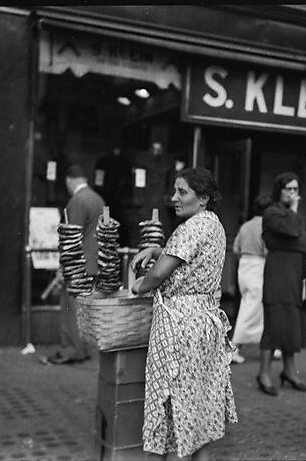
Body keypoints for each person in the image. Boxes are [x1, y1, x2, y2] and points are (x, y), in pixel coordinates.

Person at [131, 167, 237, 460]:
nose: (174, 198)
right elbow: (187, 257)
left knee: (169, 403)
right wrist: (157, 250)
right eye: (174, 191)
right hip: (205, 322)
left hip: (179, 325)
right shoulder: (213, 224)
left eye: (182, 192)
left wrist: (140, 285)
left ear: (202, 198)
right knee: (198, 406)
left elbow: (157, 275)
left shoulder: (190, 228)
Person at [257, 172, 306, 396]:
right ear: (279, 190)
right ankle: (264, 374)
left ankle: (290, 372)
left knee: (292, 325)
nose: (293, 193)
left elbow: (302, 240)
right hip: (278, 276)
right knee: (274, 325)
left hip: (294, 278)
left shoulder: (291, 215)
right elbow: (292, 231)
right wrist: (293, 210)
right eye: (288, 189)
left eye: (295, 189)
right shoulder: (272, 213)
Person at [47, 165, 105, 365]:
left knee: (70, 310)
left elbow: (72, 238)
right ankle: (84, 349)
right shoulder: (97, 199)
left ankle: (71, 351)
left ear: (69, 181)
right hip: (93, 264)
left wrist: (63, 267)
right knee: (84, 311)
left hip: (77, 265)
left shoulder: (77, 201)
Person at [230, 195, 271, 364]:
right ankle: (233, 347)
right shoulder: (265, 227)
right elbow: (267, 251)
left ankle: (269, 345)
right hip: (258, 267)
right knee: (252, 308)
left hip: (244, 267)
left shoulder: (245, 226)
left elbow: (236, 249)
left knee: (252, 306)